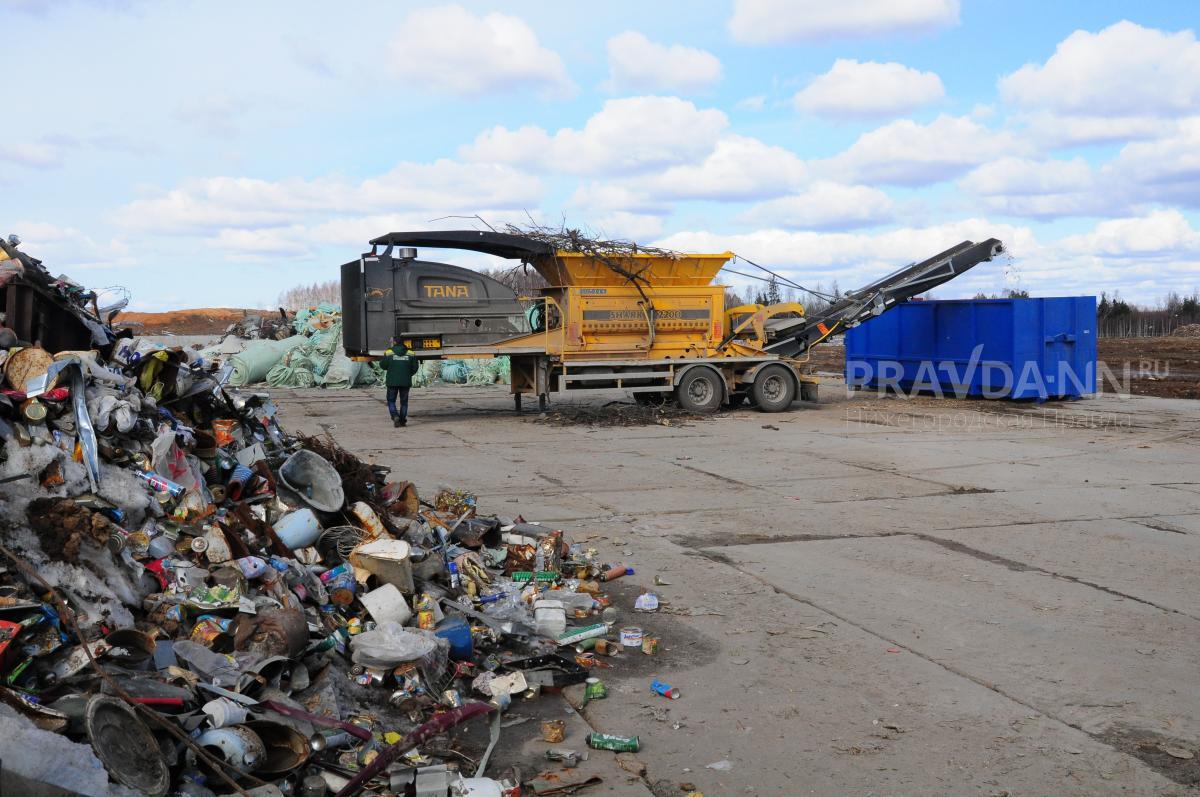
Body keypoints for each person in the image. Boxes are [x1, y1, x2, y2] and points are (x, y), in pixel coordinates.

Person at [380, 339, 420, 427]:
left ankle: (395, 416)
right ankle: (402, 420)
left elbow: (383, 365)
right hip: (405, 382)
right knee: (404, 402)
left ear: (394, 343)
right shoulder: (411, 353)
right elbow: (415, 367)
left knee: (391, 401)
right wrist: (408, 374)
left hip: (392, 381)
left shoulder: (388, 353)